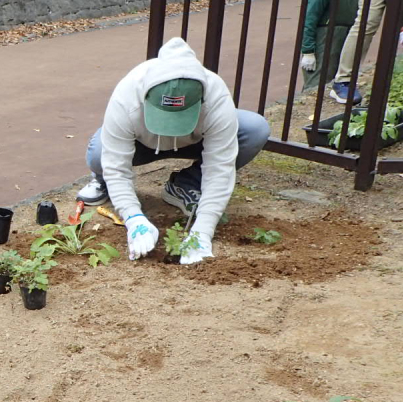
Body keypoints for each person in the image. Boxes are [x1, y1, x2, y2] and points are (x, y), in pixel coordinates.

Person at [74, 37, 270, 265]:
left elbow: (220, 168)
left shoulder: (216, 96)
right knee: (100, 153)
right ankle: (101, 181)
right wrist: (133, 218)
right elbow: (116, 165)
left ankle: (185, 184)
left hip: (194, 141)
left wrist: (203, 232)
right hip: (143, 145)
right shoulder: (127, 95)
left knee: (255, 128)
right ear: (146, 97)